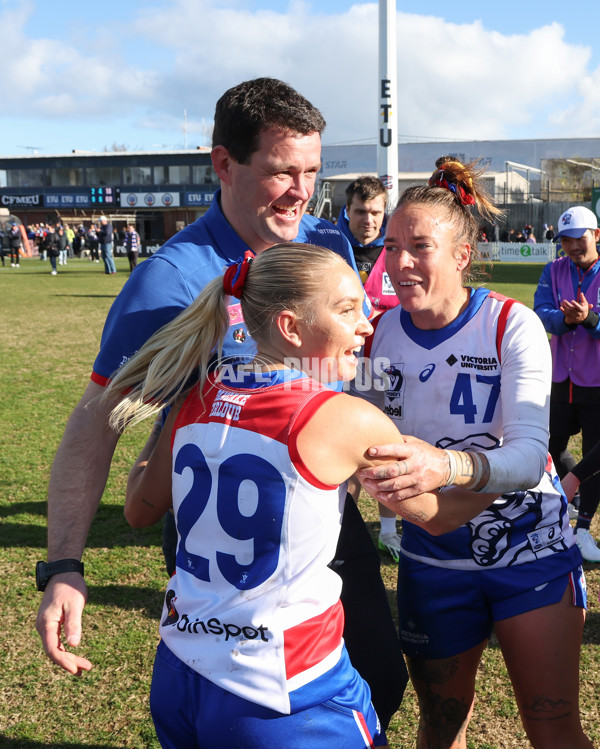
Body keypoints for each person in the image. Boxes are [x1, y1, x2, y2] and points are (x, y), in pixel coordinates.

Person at [35, 77, 407, 731]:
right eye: (281, 171)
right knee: (248, 711)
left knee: (380, 676)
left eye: (312, 171)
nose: (302, 190)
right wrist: (65, 563)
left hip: (325, 517)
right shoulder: (172, 280)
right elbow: (98, 421)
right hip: (228, 545)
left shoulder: (327, 243)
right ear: (224, 163)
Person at [104, 244, 506, 749]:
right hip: (287, 692)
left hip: (180, 674)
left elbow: (139, 510)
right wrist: (505, 470)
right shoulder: (343, 418)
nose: (367, 325)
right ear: (291, 327)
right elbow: (439, 516)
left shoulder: (198, 396)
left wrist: (168, 424)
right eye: (346, 310)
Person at [354, 157, 591, 748]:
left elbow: (529, 455)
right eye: (391, 247)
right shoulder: (379, 335)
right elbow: (366, 441)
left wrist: (444, 466)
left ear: (462, 255)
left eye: (420, 246)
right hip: (433, 563)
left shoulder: (511, 324)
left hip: (529, 556)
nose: (400, 262)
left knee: (553, 727)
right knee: (439, 726)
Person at [337, 176, 401, 560]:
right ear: (348, 210)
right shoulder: (328, 245)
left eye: (376, 211)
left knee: (385, 446)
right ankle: (338, 527)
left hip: (384, 365)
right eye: (361, 211)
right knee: (339, 449)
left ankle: (389, 530)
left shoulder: (395, 249)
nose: (369, 219)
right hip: (332, 364)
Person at [534, 205, 600, 563]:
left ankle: (584, 529)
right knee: (550, 447)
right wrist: (565, 319)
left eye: (580, 239)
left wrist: (589, 318)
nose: (573, 247)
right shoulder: (553, 269)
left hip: (597, 381)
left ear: (597, 236)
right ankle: (569, 503)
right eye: (566, 241)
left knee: (596, 454)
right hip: (560, 377)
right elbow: (541, 311)